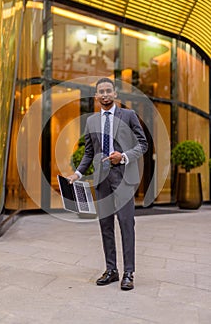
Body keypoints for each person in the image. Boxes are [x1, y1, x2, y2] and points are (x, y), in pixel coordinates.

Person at [68, 77, 148, 290]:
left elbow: (143, 144)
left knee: (126, 224)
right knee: (105, 226)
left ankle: (129, 272)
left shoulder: (128, 115)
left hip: (123, 177)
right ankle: (111, 270)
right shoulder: (92, 121)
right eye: (100, 92)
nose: (104, 94)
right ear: (96, 96)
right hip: (101, 180)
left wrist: (123, 156)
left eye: (108, 91)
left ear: (115, 94)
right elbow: (88, 152)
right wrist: (77, 174)